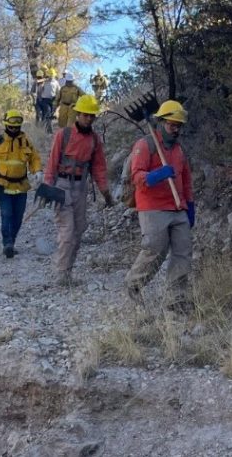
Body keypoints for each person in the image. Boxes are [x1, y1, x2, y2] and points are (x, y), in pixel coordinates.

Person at [125, 100, 195, 312]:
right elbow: (136, 176)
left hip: (177, 207)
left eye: (178, 125)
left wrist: (189, 206)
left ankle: (176, 298)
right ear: (161, 122)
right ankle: (133, 285)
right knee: (155, 250)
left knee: (183, 252)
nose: (176, 129)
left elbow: (187, 180)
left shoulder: (179, 150)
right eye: (172, 124)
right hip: (152, 207)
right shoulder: (145, 145)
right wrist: (155, 176)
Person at [44, 95, 114, 285]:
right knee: (67, 232)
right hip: (61, 185)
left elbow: (99, 168)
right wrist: (47, 188)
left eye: (92, 116)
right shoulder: (63, 135)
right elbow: (52, 163)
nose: (89, 119)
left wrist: (105, 193)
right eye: (85, 115)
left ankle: (68, 271)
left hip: (80, 187)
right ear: (78, 114)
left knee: (79, 230)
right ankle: (61, 274)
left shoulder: (94, 140)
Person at [0, 110, 42, 258]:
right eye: (11, 127)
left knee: (18, 216)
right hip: (2, 185)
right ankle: (7, 243)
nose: (14, 130)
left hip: (21, 186)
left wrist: (37, 171)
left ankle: (12, 242)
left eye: (17, 127)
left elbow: (34, 158)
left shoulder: (26, 141)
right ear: (6, 125)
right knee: (6, 214)